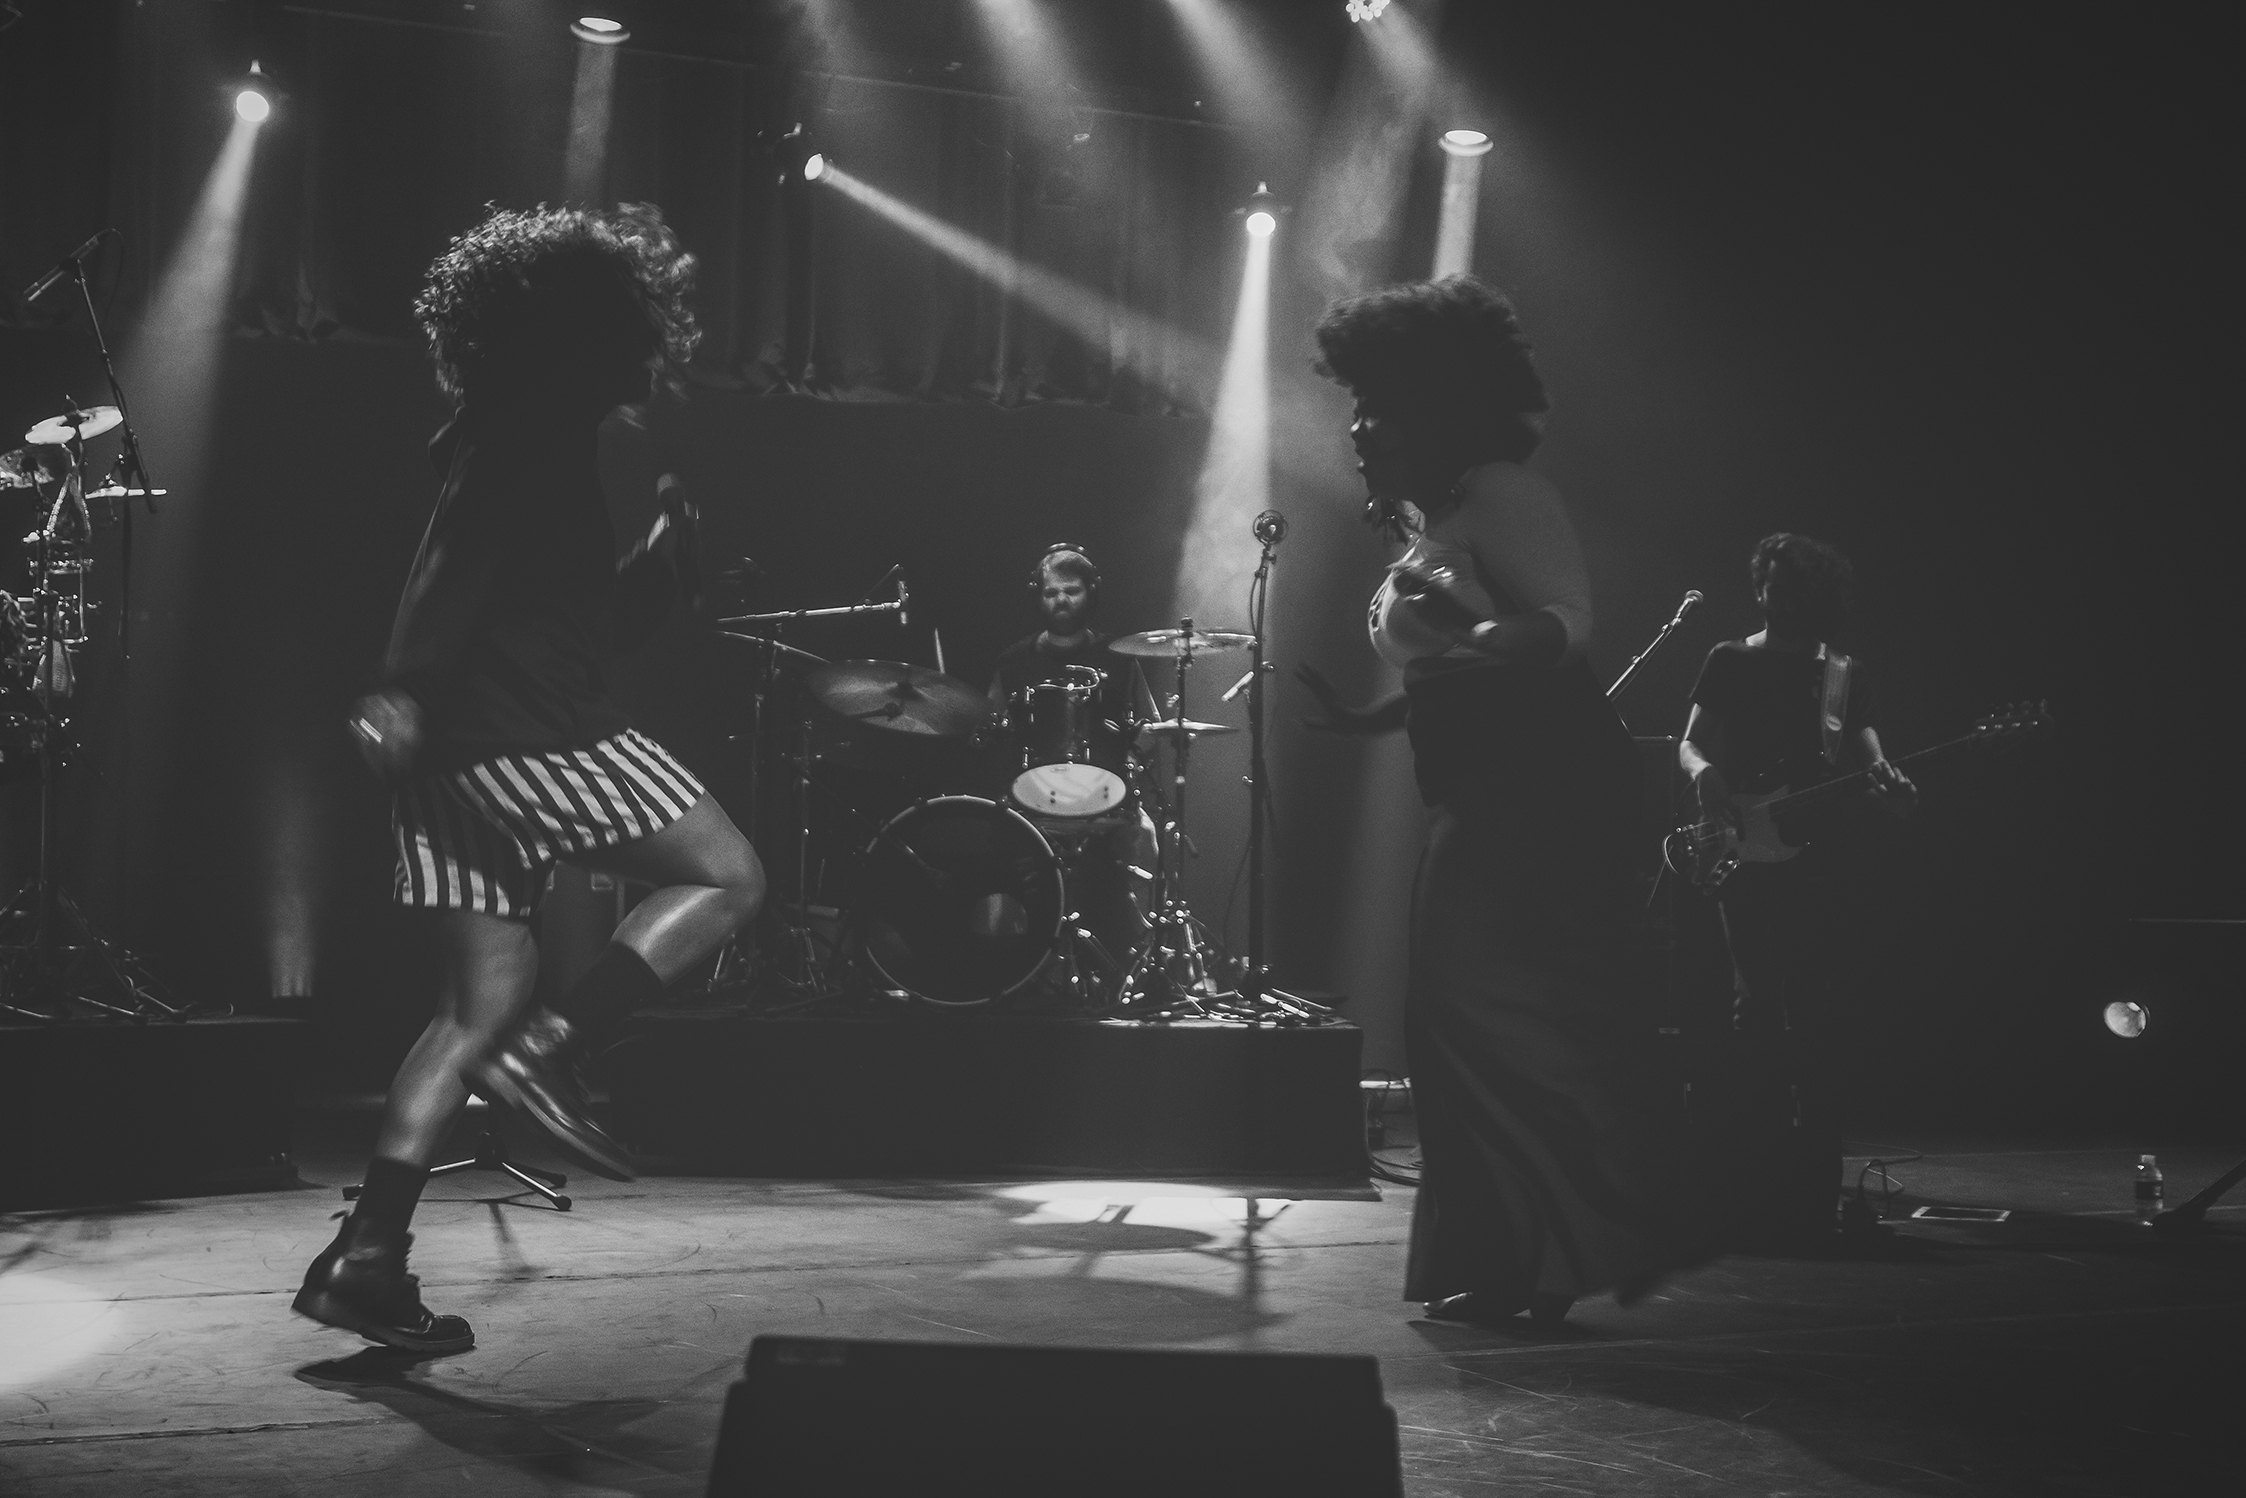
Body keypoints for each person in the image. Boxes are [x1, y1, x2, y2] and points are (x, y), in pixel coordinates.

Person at [293, 204, 765, 1356]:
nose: (652, 350)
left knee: (471, 1009)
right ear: (590, 331)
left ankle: (367, 1259)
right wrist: (402, 684)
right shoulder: (528, 432)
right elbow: (455, 565)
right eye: (636, 326)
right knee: (729, 876)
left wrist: (660, 563)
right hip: (521, 735)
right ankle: (557, 1045)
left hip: (455, 756)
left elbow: (577, 620)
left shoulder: (516, 434)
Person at [1296, 274, 1701, 1324]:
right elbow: (1448, 673)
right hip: (1479, 783)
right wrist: (1365, 720)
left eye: (1372, 406)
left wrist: (1476, 630)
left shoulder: (1504, 493)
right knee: (1454, 1018)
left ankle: (1544, 1260)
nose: (1355, 428)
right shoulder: (1440, 517)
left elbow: (1565, 624)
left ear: (1429, 408)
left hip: (1542, 781)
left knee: (1479, 1010)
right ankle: (1501, 1261)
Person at [1677, 532, 1914, 1241]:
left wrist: (1893, 791)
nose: (1774, 597)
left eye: (1789, 586)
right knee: (1754, 1007)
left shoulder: (1843, 674)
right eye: (1768, 583)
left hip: (1818, 860)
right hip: (1745, 852)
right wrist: (1704, 774)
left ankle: (1812, 1185)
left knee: (1814, 1015)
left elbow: (1869, 763)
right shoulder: (1729, 658)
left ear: (1816, 595)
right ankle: (1750, 1173)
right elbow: (1691, 741)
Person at [987, 543, 1151, 972]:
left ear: (1090, 593)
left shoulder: (1120, 657)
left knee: (1148, 838)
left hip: (1107, 800)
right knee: (992, 847)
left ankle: (1139, 963)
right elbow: (989, 727)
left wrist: (1133, 764)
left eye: (1071, 591)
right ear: (1037, 596)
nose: (1061, 600)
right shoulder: (1013, 662)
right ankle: (1011, 966)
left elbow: (1149, 728)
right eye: (1051, 592)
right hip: (1031, 801)